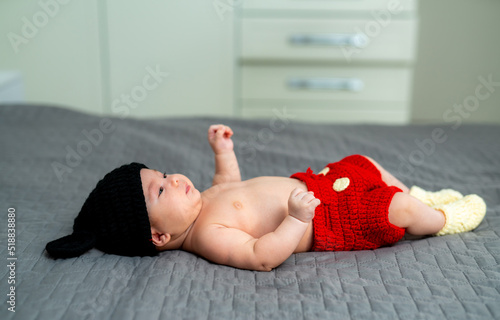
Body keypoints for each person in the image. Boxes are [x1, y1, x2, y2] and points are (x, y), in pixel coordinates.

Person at [46, 124, 487, 271]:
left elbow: (231, 185)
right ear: (158, 236)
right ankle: (441, 217)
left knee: (364, 160)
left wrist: (224, 152)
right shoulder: (209, 237)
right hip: (328, 217)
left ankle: (415, 193)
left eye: (162, 173)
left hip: (318, 184)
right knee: (399, 212)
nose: (175, 177)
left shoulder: (203, 202)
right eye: (160, 189)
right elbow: (261, 255)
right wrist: (296, 220)